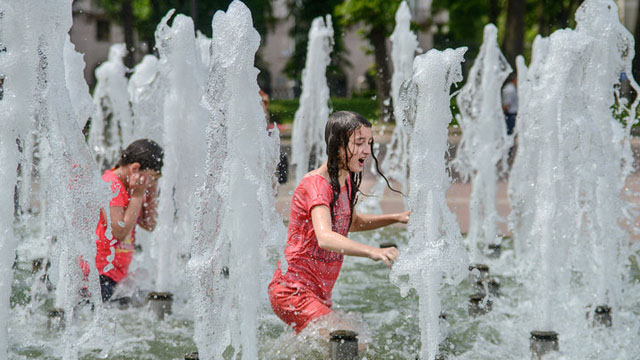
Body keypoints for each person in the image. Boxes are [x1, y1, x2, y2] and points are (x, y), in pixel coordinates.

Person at [268, 111, 410, 335]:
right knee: (349, 341)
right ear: (337, 146)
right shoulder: (316, 184)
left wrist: (397, 217)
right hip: (292, 290)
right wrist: (374, 251)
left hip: (318, 292)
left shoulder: (346, 182)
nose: (366, 150)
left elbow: (352, 222)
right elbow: (325, 237)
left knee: (353, 334)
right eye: (359, 143)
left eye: (369, 143)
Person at [82, 139, 164, 302]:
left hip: (116, 275)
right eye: (152, 178)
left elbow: (149, 224)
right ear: (135, 169)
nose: (152, 184)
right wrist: (138, 196)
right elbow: (118, 232)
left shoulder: (132, 188)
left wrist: (151, 192)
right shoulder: (111, 185)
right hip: (98, 275)